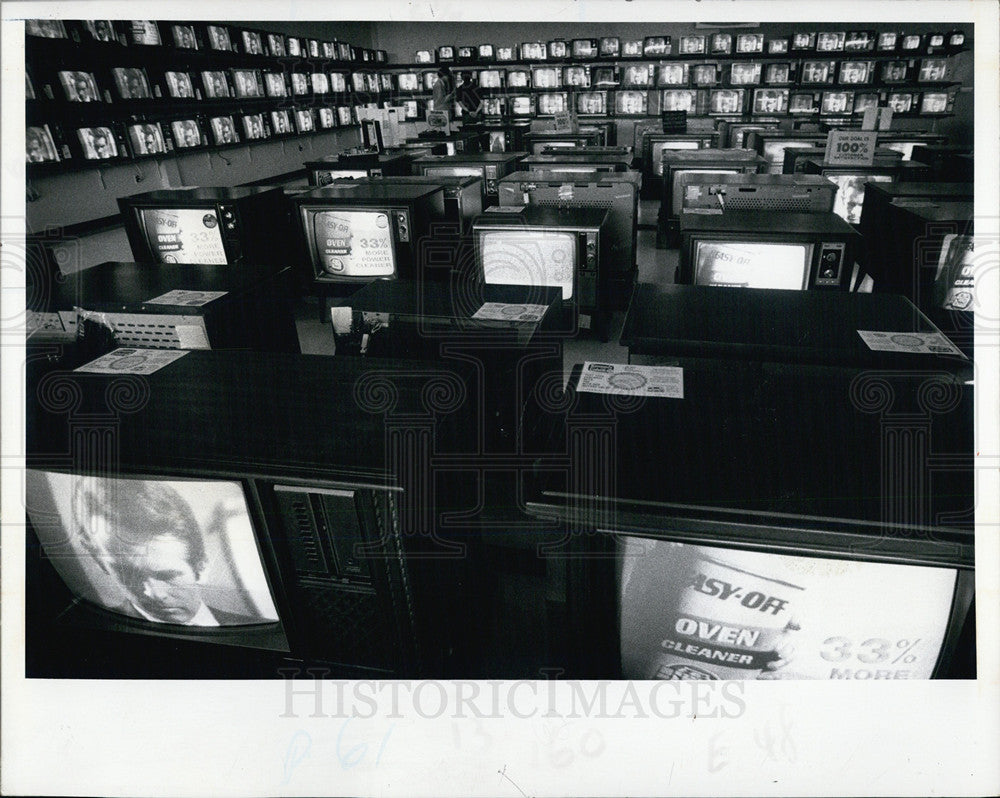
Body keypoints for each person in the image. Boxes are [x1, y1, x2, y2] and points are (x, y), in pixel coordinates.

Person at [72, 479, 262, 626]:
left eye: (166, 575)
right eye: (127, 573)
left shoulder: (253, 627)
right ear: (99, 561)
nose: (154, 594)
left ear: (202, 565)